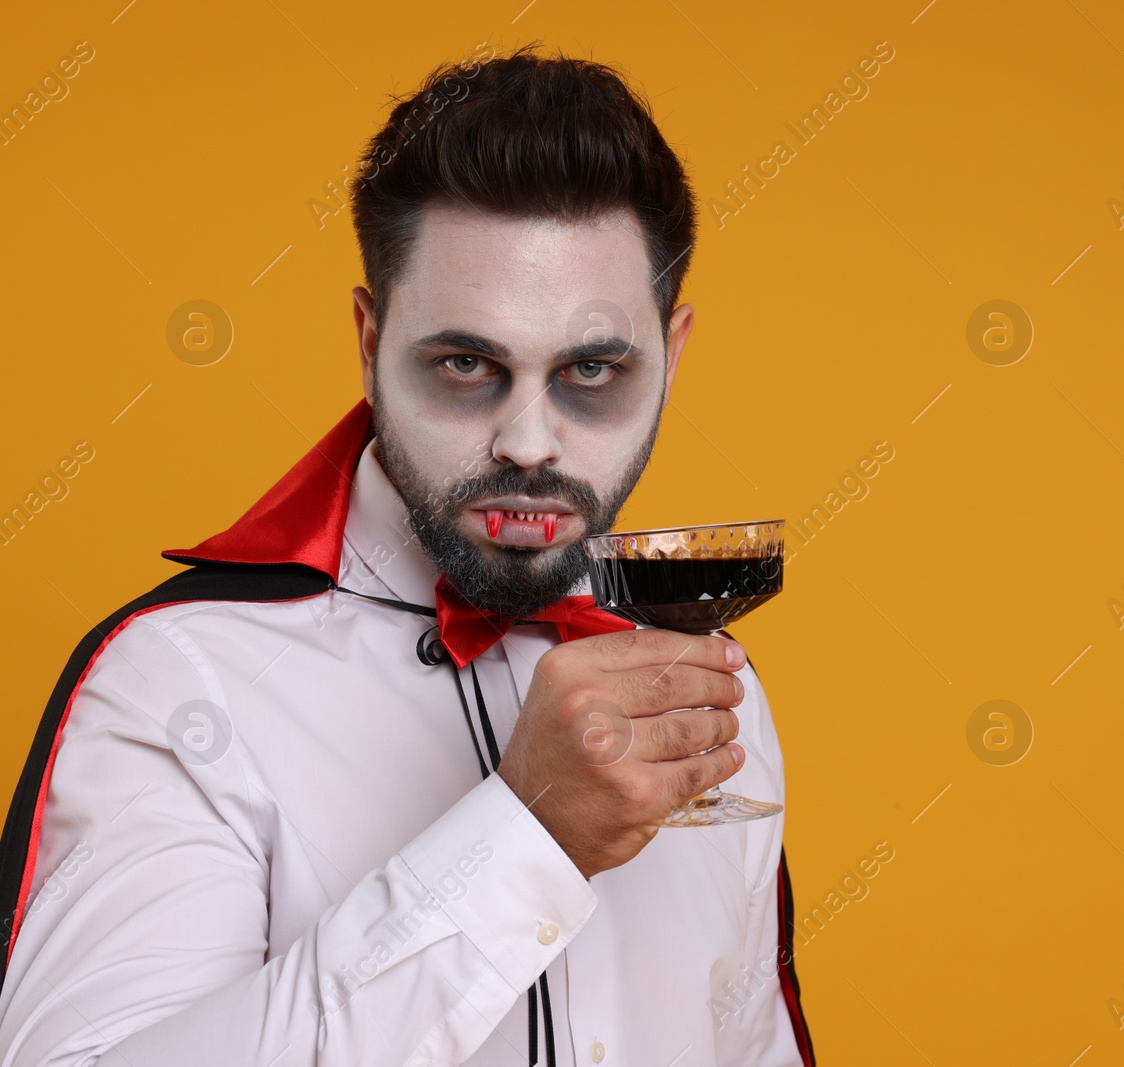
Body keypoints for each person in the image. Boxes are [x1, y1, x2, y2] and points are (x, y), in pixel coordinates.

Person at [0, 42, 814, 1067]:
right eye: (466, 362)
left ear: (673, 353)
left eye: (593, 368)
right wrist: (525, 836)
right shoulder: (174, 680)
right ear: (367, 337)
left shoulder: (708, 696)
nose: (529, 440)